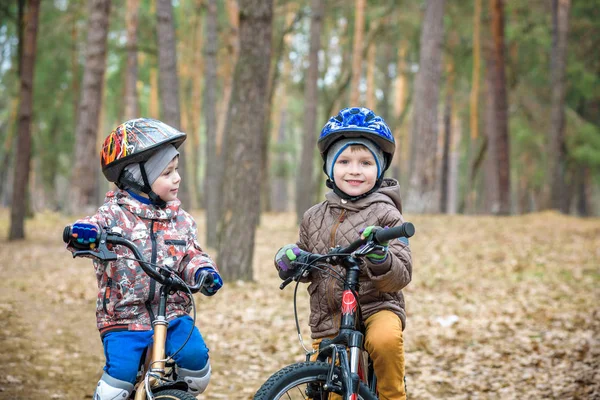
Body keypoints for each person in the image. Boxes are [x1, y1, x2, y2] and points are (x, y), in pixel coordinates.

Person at [65, 118, 223, 399]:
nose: (177, 178)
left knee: (198, 366)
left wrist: (202, 271)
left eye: (177, 170)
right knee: (118, 383)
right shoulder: (113, 216)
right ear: (139, 178)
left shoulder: (181, 220)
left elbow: (190, 255)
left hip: (172, 313)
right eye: (167, 173)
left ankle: (168, 394)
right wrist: (84, 234)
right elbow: (92, 227)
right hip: (125, 316)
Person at [274, 107, 412, 399]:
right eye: (345, 161)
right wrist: (290, 261)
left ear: (380, 168)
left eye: (365, 163)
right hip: (330, 314)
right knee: (330, 387)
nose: (354, 170)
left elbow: (401, 275)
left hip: (377, 306)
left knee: (385, 341)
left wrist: (382, 258)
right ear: (329, 166)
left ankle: (392, 396)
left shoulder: (387, 214)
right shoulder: (313, 217)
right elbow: (307, 264)